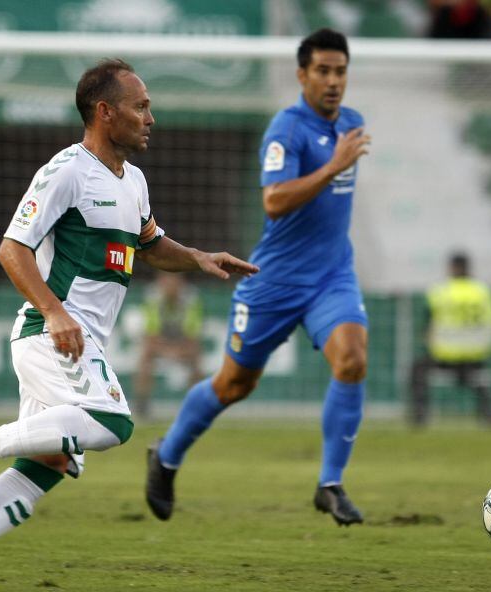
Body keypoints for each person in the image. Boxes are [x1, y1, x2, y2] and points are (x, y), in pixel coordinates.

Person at [0, 59, 258, 592]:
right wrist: (53, 310)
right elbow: (11, 249)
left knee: (51, 462)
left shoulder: (133, 181)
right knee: (113, 423)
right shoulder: (65, 171)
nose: (150, 117)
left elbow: (150, 245)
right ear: (104, 112)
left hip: (74, 337)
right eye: (140, 107)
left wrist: (199, 258)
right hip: (50, 334)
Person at [145, 29, 372, 526]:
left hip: (332, 276)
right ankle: (165, 456)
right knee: (233, 385)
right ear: (302, 75)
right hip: (274, 280)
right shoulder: (285, 130)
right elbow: (274, 201)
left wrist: (337, 164)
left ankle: (330, 484)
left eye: (340, 71)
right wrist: (333, 166)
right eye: (323, 71)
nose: (333, 81)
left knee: (352, 360)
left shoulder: (352, 124)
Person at [409, 253, 491, 428]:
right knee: (483, 380)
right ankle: (490, 416)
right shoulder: (483, 292)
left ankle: (420, 416)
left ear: (452, 268)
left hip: (445, 357)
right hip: (476, 357)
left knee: (417, 370)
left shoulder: (440, 292)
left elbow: (428, 325)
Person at [132, 272, 205, 419]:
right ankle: (142, 403)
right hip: (160, 342)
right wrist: (167, 350)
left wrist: (178, 350)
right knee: (145, 355)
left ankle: (197, 405)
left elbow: (193, 335)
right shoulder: (153, 297)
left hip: (181, 342)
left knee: (196, 355)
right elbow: (151, 334)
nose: (170, 286)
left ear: (181, 282)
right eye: (166, 281)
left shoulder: (191, 299)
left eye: (174, 281)